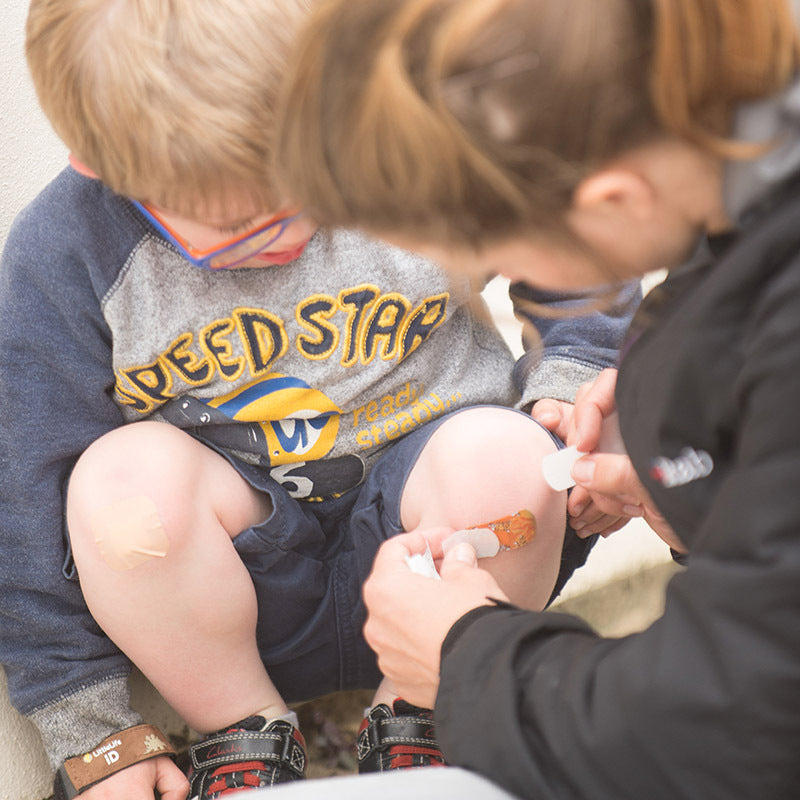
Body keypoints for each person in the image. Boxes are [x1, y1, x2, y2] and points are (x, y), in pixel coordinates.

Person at [0, 1, 639, 798]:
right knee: (118, 489)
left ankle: (428, 719)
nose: (293, 228)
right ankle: (244, 741)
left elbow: (574, 234)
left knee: (508, 454)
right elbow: (23, 492)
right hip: (241, 593)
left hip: (451, 566)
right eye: (239, 224)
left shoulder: (417, 136)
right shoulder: (64, 255)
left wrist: (571, 378)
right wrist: (93, 735)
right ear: (105, 168)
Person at [271, 0, 800, 797]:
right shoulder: (748, 215)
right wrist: (710, 488)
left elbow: (740, 726)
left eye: (494, 254)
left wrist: (469, 657)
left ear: (615, 200)